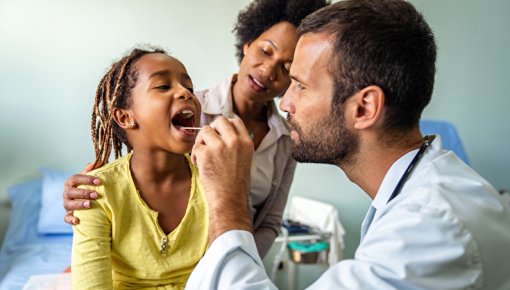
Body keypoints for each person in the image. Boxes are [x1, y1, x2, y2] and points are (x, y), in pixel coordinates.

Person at [186, 0, 510, 289]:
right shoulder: (430, 190)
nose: (285, 103)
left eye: (299, 84)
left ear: (363, 108)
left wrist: (227, 203)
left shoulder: (429, 230)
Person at [63, 0, 329, 258]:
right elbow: (132, 185)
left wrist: (236, 262)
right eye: (266, 51)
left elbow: (270, 222)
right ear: (248, 45)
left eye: (286, 67)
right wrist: (87, 197)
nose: (269, 70)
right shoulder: (184, 113)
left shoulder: (285, 140)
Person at [72, 47, 208, 289]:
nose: (185, 94)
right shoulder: (96, 191)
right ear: (125, 118)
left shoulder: (215, 178)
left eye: (188, 87)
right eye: (163, 86)